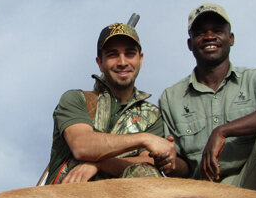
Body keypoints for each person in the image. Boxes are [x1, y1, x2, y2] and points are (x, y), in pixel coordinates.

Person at [157, 4, 256, 198]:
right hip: (203, 197)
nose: (209, 36)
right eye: (200, 33)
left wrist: (223, 131)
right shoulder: (171, 97)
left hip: (252, 185)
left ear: (231, 38)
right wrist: (171, 163)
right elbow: (181, 169)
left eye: (217, 31)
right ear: (190, 44)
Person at [44, 21, 176, 184]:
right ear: (100, 63)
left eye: (129, 53)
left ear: (140, 59)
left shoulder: (152, 115)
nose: (122, 62)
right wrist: (144, 138)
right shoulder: (76, 99)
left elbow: (148, 165)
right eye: (113, 54)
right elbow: (82, 146)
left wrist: (100, 163)